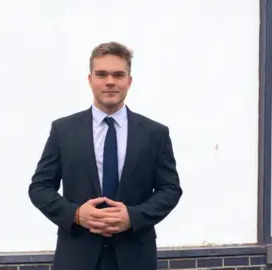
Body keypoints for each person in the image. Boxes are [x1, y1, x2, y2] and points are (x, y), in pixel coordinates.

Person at [28, 41, 182, 270]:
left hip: (135, 257)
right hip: (77, 256)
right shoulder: (64, 130)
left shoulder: (155, 133)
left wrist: (133, 216)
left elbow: (170, 190)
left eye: (118, 75)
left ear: (129, 81)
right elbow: (39, 187)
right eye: (102, 74)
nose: (110, 81)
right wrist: (76, 214)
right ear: (90, 79)